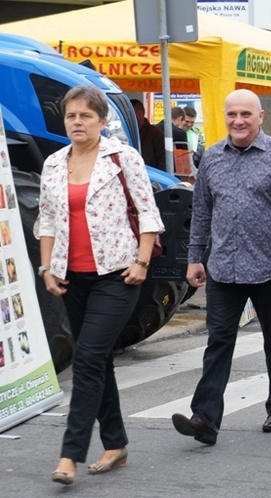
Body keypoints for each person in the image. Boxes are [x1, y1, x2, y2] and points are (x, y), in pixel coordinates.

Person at [39, 86, 164, 485]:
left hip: (118, 273)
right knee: (99, 361)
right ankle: (116, 444)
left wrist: (143, 261)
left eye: (85, 116)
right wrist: (46, 267)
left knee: (89, 358)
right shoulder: (55, 163)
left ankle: (69, 455)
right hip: (72, 277)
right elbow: (46, 221)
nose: (77, 122)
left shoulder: (122, 158)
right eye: (71, 116)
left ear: (102, 121)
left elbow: (148, 212)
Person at [171, 89, 271, 444]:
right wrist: (195, 258)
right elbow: (200, 212)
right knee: (218, 342)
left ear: (260, 116)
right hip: (224, 267)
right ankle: (205, 419)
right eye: (232, 114)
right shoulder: (212, 157)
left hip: (269, 268)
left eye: (246, 114)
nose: (239, 121)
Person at [130, 98, 166, 171]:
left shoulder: (156, 134)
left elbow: (163, 163)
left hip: (152, 176)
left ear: (140, 114)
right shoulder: (125, 132)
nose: (127, 118)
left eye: (129, 115)